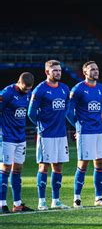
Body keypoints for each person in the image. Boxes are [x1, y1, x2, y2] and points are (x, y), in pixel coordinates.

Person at [28, 60, 70, 210]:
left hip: (61, 134)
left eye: (59, 70)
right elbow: (31, 113)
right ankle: (41, 201)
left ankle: (56, 200)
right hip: (46, 134)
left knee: (58, 167)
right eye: (55, 71)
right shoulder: (40, 90)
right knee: (43, 167)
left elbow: (66, 109)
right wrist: (42, 125)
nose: (58, 73)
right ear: (47, 72)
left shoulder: (65, 88)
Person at [67, 61, 102, 208]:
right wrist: (78, 127)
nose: (95, 71)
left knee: (100, 164)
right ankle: (77, 198)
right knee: (83, 164)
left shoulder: (101, 89)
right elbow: (68, 112)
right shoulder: (78, 89)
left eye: (97, 69)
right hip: (85, 132)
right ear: (85, 72)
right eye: (92, 69)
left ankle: (98, 197)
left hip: (99, 131)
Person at [0, 72, 35, 213]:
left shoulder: (29, 93)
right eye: (24, 88)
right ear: (19, 82)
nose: (26, 91)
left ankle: (17, 204)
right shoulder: (7, 93)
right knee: (5, 170)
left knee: (17, 170)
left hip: (21, 137)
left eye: (29, 89)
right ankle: (2, 204)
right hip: (7, 137)